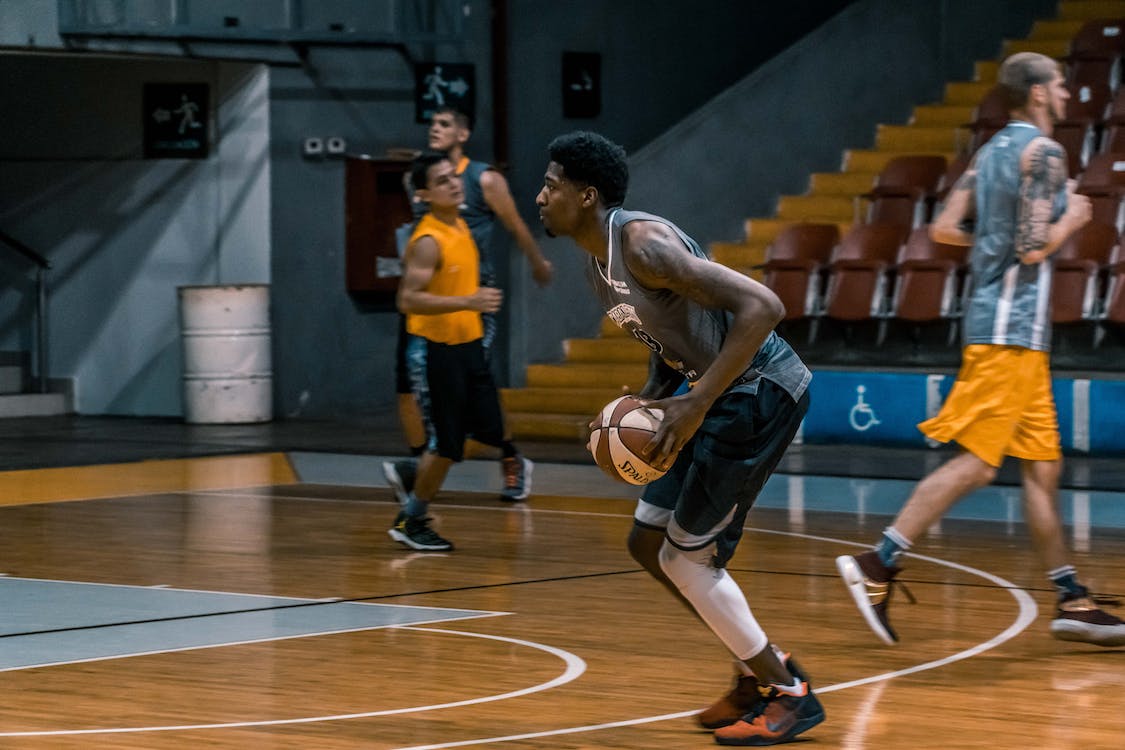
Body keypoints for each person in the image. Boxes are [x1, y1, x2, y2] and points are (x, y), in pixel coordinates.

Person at [536, 130, 824, 746]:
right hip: (711, 395)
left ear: (586, 197)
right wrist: (649, 400)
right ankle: (753, 674)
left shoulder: (644, 244)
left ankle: (790, 694)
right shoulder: (597, 263)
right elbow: (669, 346)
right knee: (647, 543)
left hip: (759, 393)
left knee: (684, 558)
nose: (540, 196)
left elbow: (764, 306)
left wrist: (694, 403)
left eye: (550, 185)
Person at [836, 52, 1125, 648]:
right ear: (1039, 93)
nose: (1069, 94)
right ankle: (879, 563)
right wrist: (1072, 216)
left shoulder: (987, 154)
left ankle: (1072, 598)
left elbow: (942, 228)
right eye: (1061, 86)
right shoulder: (1044, 154)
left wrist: (994, 237)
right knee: (981, 462)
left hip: (1006, 330)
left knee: (1043, 467)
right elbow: (1031, 248)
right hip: (1009, 333)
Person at [385, 106, 552, 504]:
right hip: (435, 296)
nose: (434, 129)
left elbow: (515, 224)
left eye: (443, 124)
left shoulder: (479, 181)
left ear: (463, 133)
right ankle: (417, 472)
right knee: (409, 390)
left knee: (474, 396)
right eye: (432, 123)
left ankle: (508, 458)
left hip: (471, 295)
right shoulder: (430, 191)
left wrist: (537, 262)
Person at [389, 151, 527, 552]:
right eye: (443, 181)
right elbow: (408, 300)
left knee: (490, 429)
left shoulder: (461, 226)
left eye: (454, 177)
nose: (453, 184)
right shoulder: (428, 240)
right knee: (446, 442)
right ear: (424, 194)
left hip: (468, 348)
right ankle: (411, 519)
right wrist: (469, 302)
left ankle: (413, 471)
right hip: (436, 350)